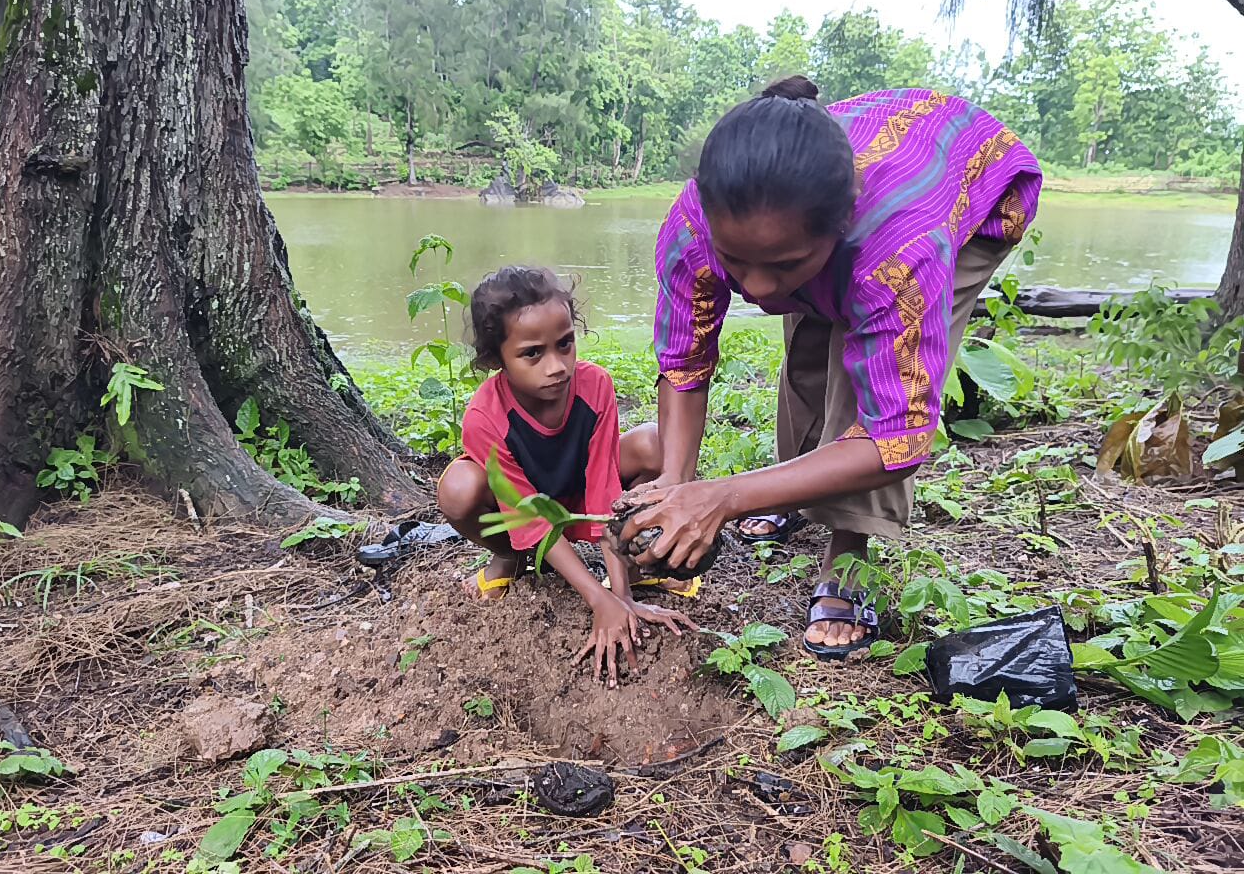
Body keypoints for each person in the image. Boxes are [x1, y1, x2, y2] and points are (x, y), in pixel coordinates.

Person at [620, 78, 1042, 660]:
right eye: (735, 261)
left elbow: (896, 438)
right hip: (827, 225)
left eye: (783, 264)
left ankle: (846, 556)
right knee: (807, 350)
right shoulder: (695, 228)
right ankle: (787, 495)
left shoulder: (901, 246)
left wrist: (723, 497)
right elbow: (685, 364)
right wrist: (676, 483)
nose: (758, 290)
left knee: (860, 363)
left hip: (972, 188)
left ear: (841, 223)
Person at [437, 265, 697, 685]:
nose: (556, 366)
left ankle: (632, 565)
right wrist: (598, 600)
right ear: (495, 359)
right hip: (522, 510)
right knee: (458, 488)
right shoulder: (484, 416)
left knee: (656, 444)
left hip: (577, 497)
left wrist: (620, 596)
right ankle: (508, 556)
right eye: (532, 353)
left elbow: (604, 495)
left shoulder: (595, 386)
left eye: (565, 344)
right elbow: (528, 515)